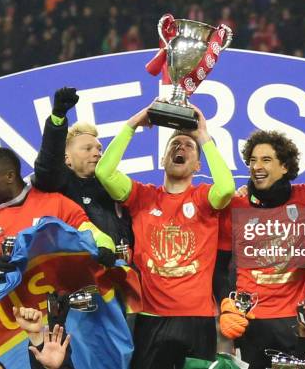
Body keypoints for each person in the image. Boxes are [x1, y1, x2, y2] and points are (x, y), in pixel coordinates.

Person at [95, 102, 235, 369]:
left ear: (197, 165)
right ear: (162, 159)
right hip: (151, 317)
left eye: (188, 146)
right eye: (175, 145)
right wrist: (134, 123)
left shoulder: (204, 198)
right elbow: (104, 172)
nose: (180, 147)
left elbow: (227, 188)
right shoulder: (142, 196)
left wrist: (204, 136)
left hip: (197, 319)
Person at [217, 130, 305, 369]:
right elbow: (219, 266)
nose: (257, 166)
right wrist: (226, 304)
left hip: (296, 323)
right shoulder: (235, 206)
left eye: (266, 160)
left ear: (285, 166)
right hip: (250, 323)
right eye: (253, 160)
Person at [0, 147, 116, 276]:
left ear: (10, 176)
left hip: (54, 295)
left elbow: (94, 234)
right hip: (8, 301)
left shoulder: (55, 202)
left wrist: (105, 247)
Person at [33, 87, 134, 251]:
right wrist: (57, 118)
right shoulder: (62, 185)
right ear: (67, 159)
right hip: (81, 271)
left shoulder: (113, 187)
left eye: (99, 149)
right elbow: (47, 168)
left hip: (122, 271)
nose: (97, 153)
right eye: (87, 149)